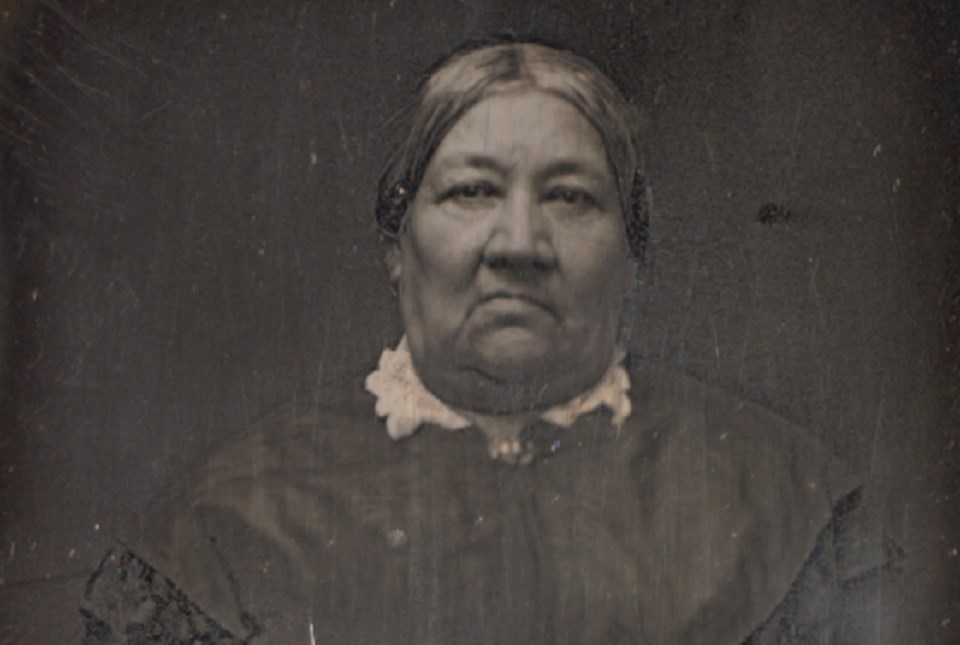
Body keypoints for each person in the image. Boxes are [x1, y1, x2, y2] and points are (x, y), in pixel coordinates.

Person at [81, 37, 901, 644]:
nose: (518, 242)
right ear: (396, 251)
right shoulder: (224, 524)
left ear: (633, 254)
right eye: (472, 191)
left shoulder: (783, 500)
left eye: (571, 196)